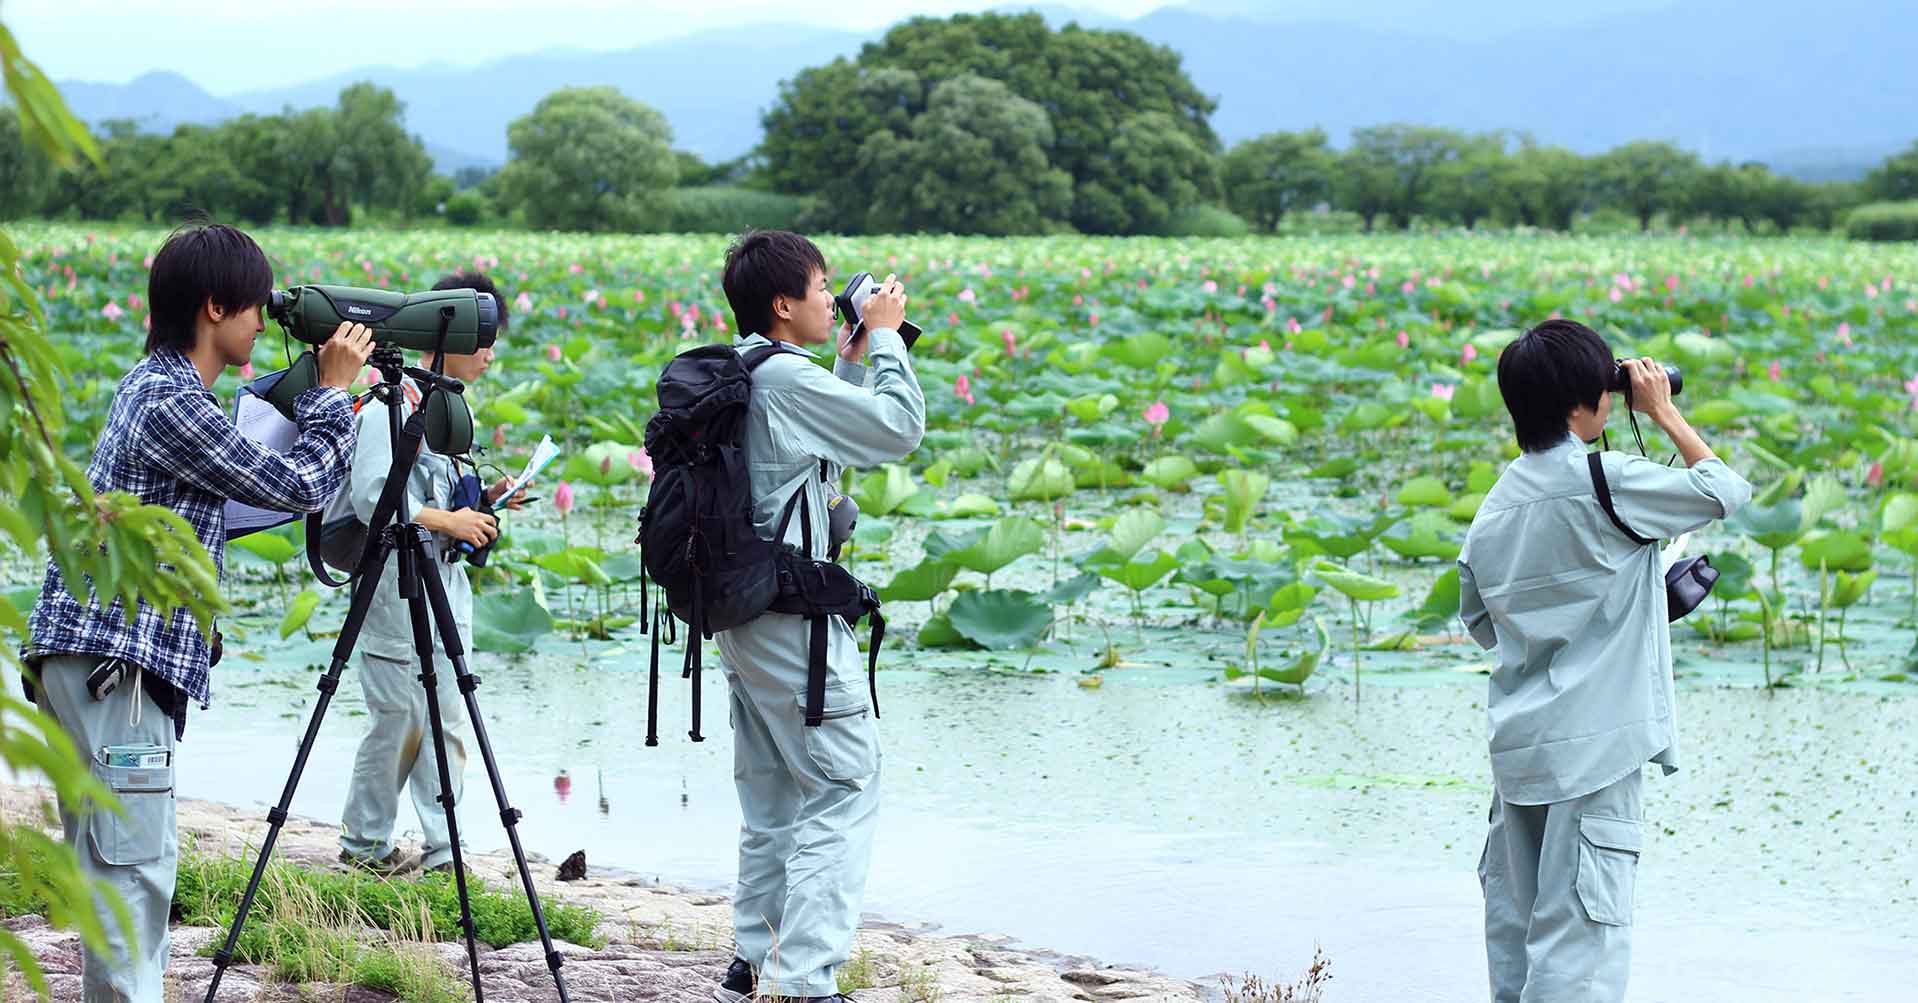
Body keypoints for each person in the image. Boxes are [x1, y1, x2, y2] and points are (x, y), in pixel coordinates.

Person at [24, 222, 373, 1003]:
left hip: (98, 671)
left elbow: (245, 481)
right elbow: (298, 486)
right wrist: (333, 396)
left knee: (113, 877)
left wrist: (308, 400)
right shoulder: (170, 401)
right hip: (119, 676)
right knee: (135, 877)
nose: (264, 322)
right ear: (215, 307)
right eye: (255, 308)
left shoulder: (165, 393)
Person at [1458, 319, 1752, 1002]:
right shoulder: (1605, 478)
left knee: (1517, 937)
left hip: (1520, 753)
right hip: (1594, 750)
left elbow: (1480, 623)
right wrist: (1663, 408)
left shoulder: (1494, 507)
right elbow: (1722, 490)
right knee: (1582, 946)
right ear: (1583, 400)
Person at [710, 231, 925, 1003]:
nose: (834, 295)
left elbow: (815, 451)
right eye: (823, 284)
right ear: (782, 303)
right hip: (790, 622)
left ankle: (752, 963)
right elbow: (897, 429)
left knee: (772, 795)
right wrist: (893, 341)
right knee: (845, 779)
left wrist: (851, 356)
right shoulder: (785, 380)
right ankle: (806, 981)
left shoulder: (747, 367)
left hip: (743, 615)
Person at [334, 271, 526, 876]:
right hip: (393, 590)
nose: (492, 353)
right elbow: (372, 498)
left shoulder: (446, 411)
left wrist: (488, 499)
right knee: (399, 721)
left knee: (446, 721)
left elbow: (431, 495)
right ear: (453, 332)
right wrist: (450, 522)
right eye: (485, 338)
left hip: (445, 587)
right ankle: (364, 847)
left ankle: (446, 854)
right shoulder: (386, 407)